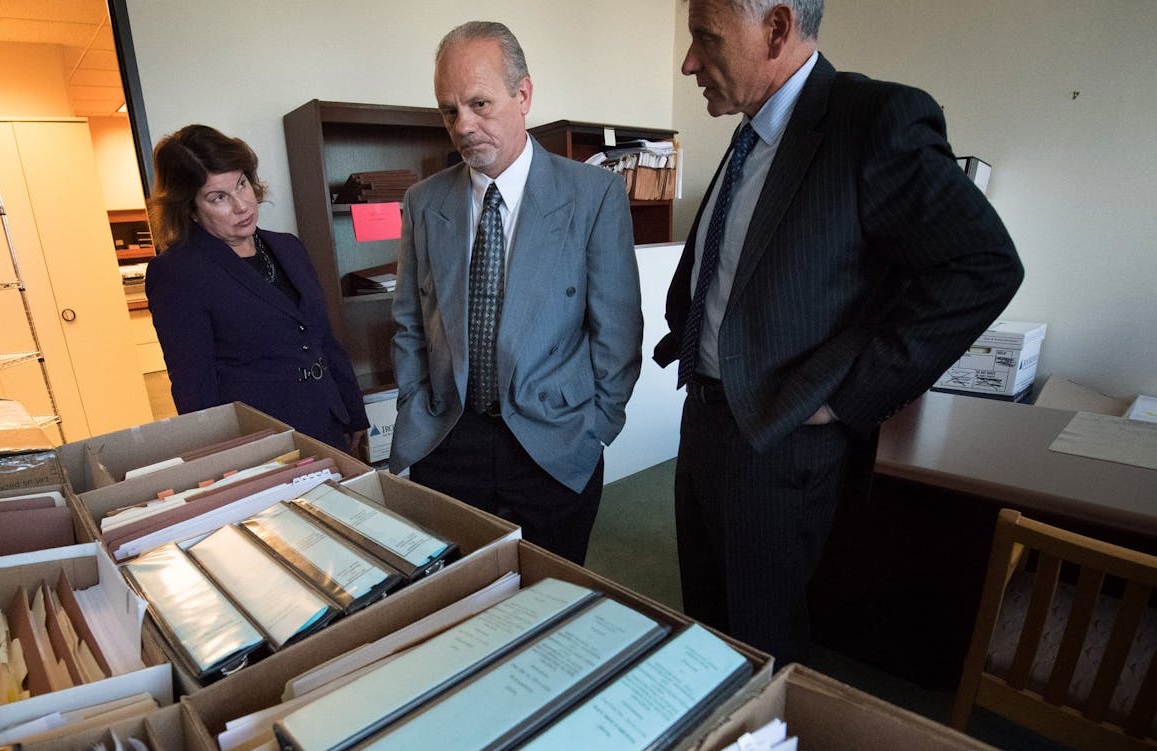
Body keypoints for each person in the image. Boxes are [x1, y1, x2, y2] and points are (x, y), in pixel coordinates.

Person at [653, 0, 1023, 664]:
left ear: (775, 30)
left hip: (780, 442)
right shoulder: (749, 134)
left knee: (761, 653)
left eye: (706, 40)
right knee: (705, 633)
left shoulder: (871, 122)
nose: (689, 62)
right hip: (706, 421)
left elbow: (983, 265)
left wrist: (849, 396)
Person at [390, 21, 644, 564]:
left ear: (523, 94)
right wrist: (416, 407)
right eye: (449, 110)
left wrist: (595, 428)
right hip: (448, 439)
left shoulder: (593, 195)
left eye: (480, 104)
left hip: (556, 439)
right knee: (457, 597)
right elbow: (410, 322)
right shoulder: (422, 202)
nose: (463, 126)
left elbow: (617, 331)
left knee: (554, 595)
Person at [145, 125, 368, 453]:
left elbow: (322, 338)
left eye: (241, 184)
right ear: (189, 207)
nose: (241, 205)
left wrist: (354, 411)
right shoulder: (177, 273)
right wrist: (227, 462)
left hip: (328, 421)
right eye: (218, 197)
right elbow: (195, 388)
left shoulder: (287, 247)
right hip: (262, 445)